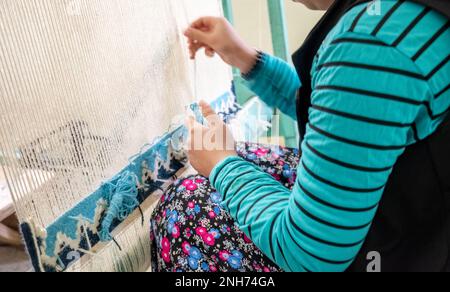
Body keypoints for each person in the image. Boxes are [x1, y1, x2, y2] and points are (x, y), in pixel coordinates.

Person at [151, 0, 450, 272]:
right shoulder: (405, 20)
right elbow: (346, 122)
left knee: (186, 206)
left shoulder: (373, 43)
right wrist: (248, 60)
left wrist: (222, 166)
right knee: (244, 161)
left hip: (399, 253)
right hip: (420, 220)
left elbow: (311, 253)